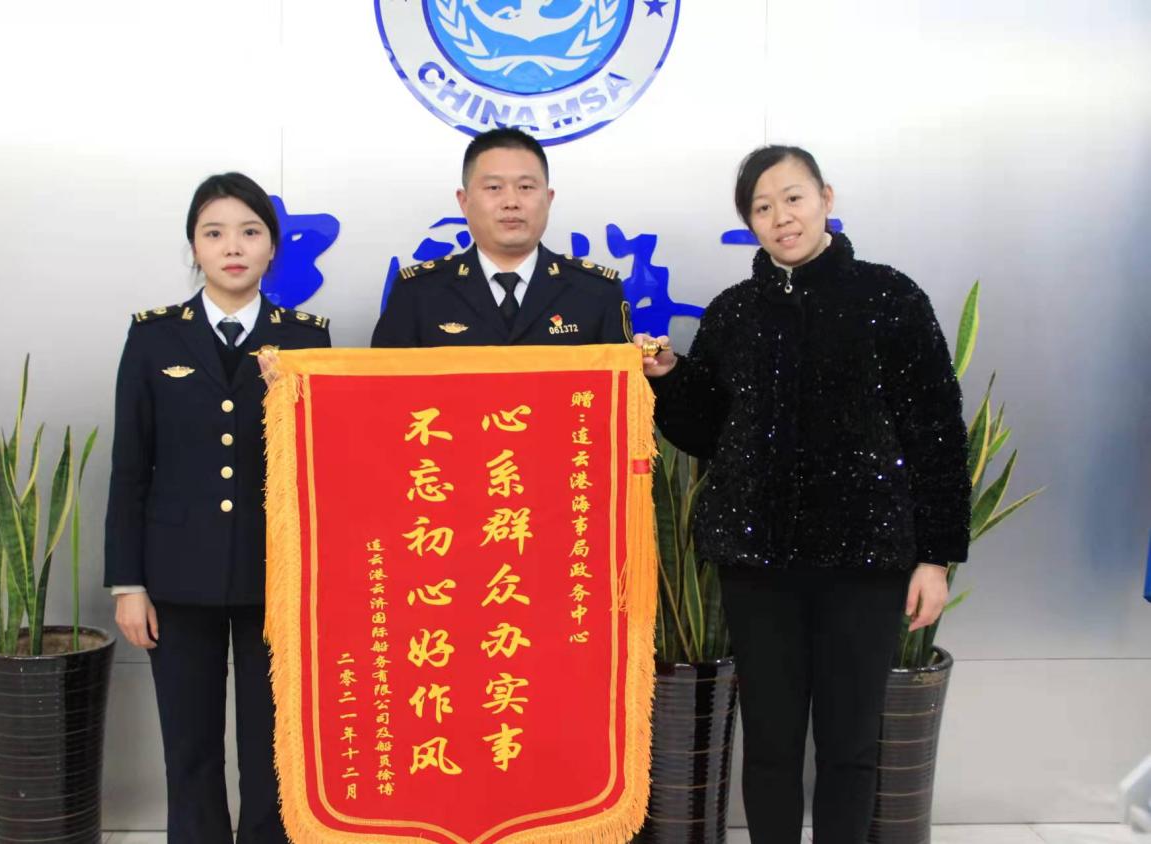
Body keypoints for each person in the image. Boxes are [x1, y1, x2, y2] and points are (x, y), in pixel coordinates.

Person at [636, 146, 970, 844]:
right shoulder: (734, 312)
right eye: (762, 207)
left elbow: (936, 431)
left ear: (825, 198)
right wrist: (669, 375)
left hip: (865, 563)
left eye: (792, 198)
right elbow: (705, 432)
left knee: (850, 745)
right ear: (749, 224)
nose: (781, 217)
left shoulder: (890, 298)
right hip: (758, 565)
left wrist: (935, 557)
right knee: (770, 744)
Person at [104, 172, 331, 843]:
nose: (233, 247)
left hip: (276, 579)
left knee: (272, 749)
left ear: (271, 248)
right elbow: (130, 467)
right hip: (175, 577)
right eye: (215, 233)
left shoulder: (306, 340)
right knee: (190, 747)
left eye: (249, 232)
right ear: (194, 247)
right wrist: (128, 584)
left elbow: (324, 469)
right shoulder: (153, 338)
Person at [371, 127, 629, 347]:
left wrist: (652, 370)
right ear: (464, 201)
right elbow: (383, 385)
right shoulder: (417, 293)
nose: (511, 202)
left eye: (525, 187)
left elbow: (626, 386)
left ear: (548, 199)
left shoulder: (597, 292)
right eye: (494, 187)